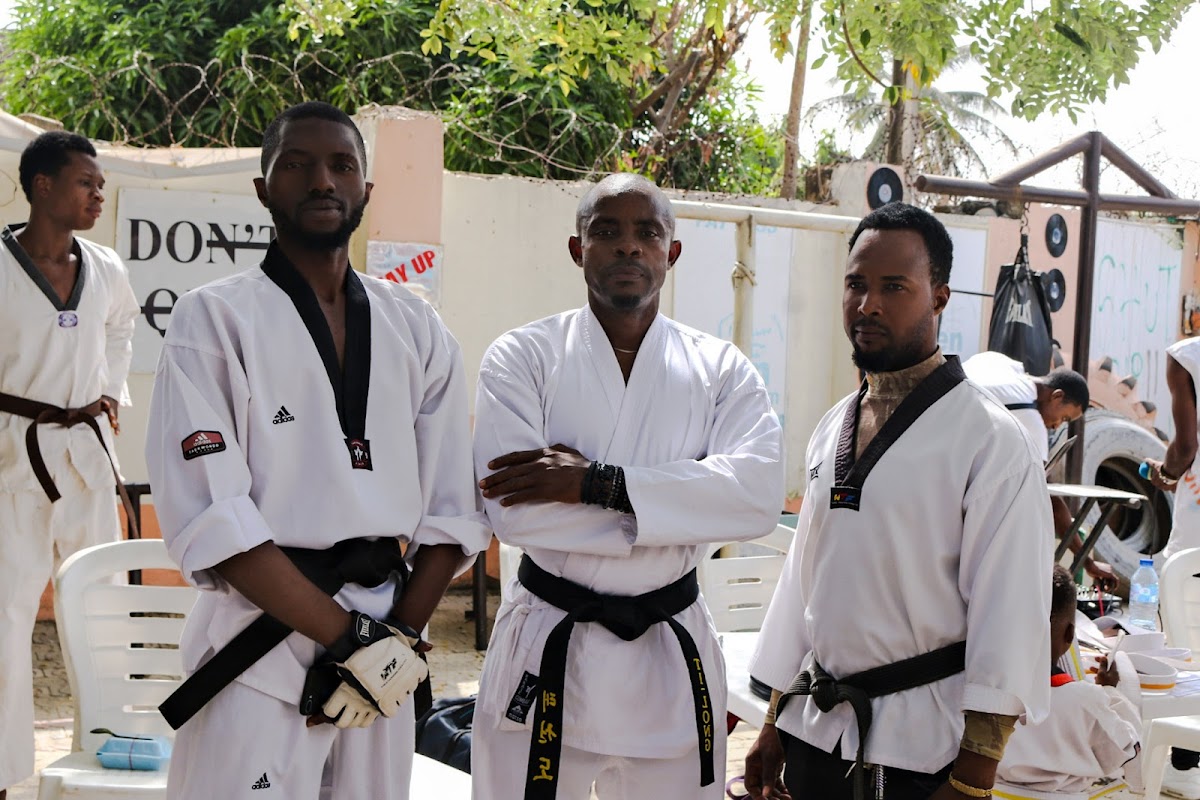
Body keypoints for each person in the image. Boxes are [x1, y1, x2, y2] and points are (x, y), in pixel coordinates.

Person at [144, 102, 489, 800]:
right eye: (296, 164)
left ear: (367, 188)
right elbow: (215, 518)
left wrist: (393, 643)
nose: (322, 181)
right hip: (260, 646)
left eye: (341, 165)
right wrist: (351, 640)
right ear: (263, 188)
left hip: (384, 654)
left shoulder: (416, 326)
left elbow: (453, 513)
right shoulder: (214, 318)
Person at [470, 173, 784, 799]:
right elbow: (515, 514)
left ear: (672, 252)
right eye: (607, 231)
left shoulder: (720, 369)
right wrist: (684, 508)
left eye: (648, 233)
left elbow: (754, 498)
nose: (628, 246)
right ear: (577, 248)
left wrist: (594, 483)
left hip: (668, 652)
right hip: (551, 639)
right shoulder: (522, 356)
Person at [744, 202, 1052, 800]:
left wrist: (972, 780)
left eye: (893, 287)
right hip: (816, 729)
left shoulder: (989, 440)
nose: (868, 305)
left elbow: (1010, 613)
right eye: (855, 284)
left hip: (917, 749)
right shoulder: (832, 425)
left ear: (939, 297)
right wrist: (774, 720)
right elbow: (805, 586)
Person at [0, 130, 138, 799]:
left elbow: (122, 326)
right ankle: (3, 773)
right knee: (5, 614)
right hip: (10, 452)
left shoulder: (105, 266)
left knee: (102, 605)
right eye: (86, 182)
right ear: (42, 185)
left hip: (85, 450)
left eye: (101, 185)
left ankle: (109, 755)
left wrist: (109, 391)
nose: (98, 195)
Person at [961, 352, 1113, 589]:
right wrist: (1088, 563)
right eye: (1064, 418)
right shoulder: (1031, 421)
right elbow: (1049, 499)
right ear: (1057, 396)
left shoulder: (1003, 366)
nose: (1056, 426)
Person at [993, 564, 1142, 799]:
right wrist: (1110, 692)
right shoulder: (1085, 701)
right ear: (1070, 634)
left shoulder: (984, 694)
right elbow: (1127, 751)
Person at [1143, 335, 1200, 799]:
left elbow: (1184, 447)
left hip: (1197, 526)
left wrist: (1164, 473)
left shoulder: (1186, 356)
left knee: (1187, 638)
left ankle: (1183, 761)